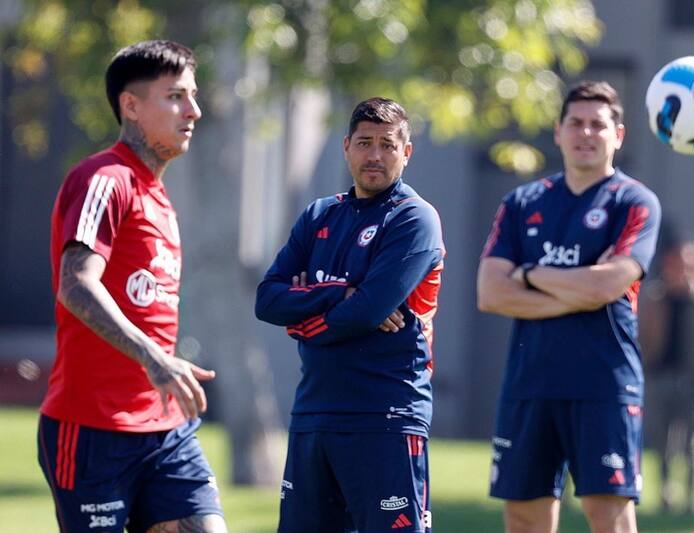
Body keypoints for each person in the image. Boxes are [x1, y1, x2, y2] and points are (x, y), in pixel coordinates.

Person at [38, 40, 227, 532]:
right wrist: (154, 357)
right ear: (131, 106)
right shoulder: (105, 178)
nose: (194, 110)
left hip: (166, 431)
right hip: (94, 431)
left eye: (193, 95)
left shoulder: (158, 197)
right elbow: (75, 285)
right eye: (176, 97)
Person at [477, 81, 662, 533]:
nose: (586, 133)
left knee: (609, 513)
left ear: (618, 134)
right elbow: (490, 294)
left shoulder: (634, 202)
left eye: (597, 125)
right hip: (530, 382)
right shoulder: (522, 202)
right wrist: (580, 287)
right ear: (558, 132)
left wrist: (528, 273)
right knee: (523, 516)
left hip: (603, 383)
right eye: (575, 123)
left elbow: (609, 286)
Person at [255, 97, 445, 533]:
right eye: (364, 143)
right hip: (314, 413)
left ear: (406, 152)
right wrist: (341, 290)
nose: (374, 155)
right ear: (346, 147)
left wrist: (305, 314)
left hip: (385, 414)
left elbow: (369, 311)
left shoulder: (414, 219)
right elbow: (267, 299)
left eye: (386, 144)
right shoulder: (320, 214)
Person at [639, 238, 694, 513]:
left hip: (693, 379)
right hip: (659, 375)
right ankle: (665, 493)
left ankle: (691, 498)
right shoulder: (653, 296)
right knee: (662, 441)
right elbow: (643, 335)